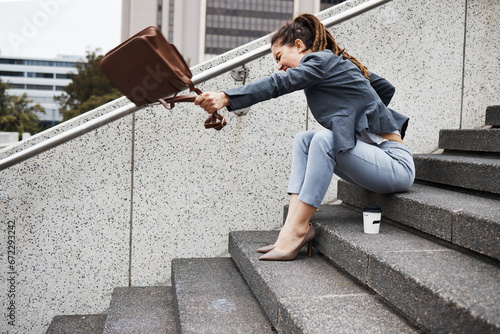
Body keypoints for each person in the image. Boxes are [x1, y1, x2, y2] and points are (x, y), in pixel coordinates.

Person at [194, 13, 415, 261]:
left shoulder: (321, 61)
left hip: (396, 164)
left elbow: (279, 84)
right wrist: (361, 116)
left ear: (299, 45)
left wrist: (226, 96)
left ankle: (298, 229)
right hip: (376, 160)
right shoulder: (335, 64)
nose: (278, 66)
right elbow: (385, 87)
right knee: (305, 139)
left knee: (324, 140)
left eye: (279, 57)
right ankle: (291, 227)